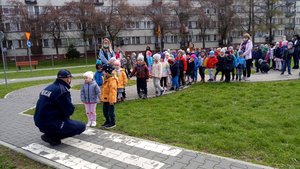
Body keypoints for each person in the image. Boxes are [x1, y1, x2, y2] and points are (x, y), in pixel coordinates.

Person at [34, 69, 86, 146]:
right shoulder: (63, 91)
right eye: (70, 78)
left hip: (39, 121)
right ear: (68, 79)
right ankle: (53, 137)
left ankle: (50, 133)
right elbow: (69, 110)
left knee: (66, 120)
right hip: (51, 123)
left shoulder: (49, 87)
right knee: (81, 126)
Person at [100, 64, 118, 129]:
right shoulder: (106, 79)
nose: (103, 72)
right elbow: (104, 89)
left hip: (110, 100)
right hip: (105, 99)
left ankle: (112, 123)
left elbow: (112, 91)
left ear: (107, 72)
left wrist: (112, 100)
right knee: (105, 111)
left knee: (110, 112)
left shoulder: (112, 80)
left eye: (104, 71)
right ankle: (107, 121)